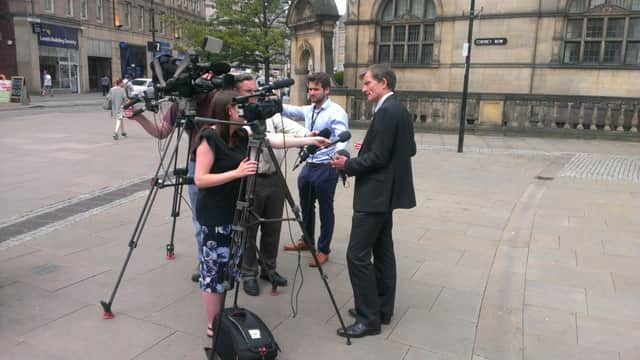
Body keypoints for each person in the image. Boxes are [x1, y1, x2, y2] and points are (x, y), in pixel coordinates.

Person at [193, 90, 329, 337]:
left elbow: (273, 140)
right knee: (213, 272)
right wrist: (237, 173)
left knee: (226, 269)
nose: (244, 113)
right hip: (214, 216)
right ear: (228, 111)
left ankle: (221, 317)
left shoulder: (240, 134)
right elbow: (200, 179)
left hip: (234, 212)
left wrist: (310, 141)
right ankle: (213, 326)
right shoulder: (209, 137)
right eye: (239, 108)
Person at [330, 64, 416, 338]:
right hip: (385, 195)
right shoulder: (398, 109)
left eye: (368, 83)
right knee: (382, 253)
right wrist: (369, 149)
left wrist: (348, 164)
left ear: (384, 83)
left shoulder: (387, 112)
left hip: (374, 196)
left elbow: (379, 158)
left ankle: (368, 319)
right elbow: (408, 149)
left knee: (356, 256)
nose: (364, 88)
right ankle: (381, 309)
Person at [124, 85, 217, 282]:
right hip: (196, 163)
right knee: (199, 216)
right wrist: (139, 117)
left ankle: (230, 256)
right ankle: (205, 260)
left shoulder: (216, 97)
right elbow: (162, 132)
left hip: (225, 162)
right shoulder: (179, 104)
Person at [234, 73, 310, 296]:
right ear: (238, 94)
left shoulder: (268, 114)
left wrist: (308, 133)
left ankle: (269, 268)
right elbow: (266, 139)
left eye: (254, 89)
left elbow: (288, 126)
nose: (253, 95)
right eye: (248, 91)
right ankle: (248, 273)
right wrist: (306, 141)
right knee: (249, 229)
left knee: (273, 227)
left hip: (274, 177)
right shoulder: (238, 117)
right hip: (251, 179)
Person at [281, 72, 349, 267]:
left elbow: (343, 137)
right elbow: (291, 111)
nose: (311, 92)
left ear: (326, 90)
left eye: (315, 89)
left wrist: (338, 159)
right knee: (306, 205)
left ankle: (323, 249)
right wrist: (273, 104)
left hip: (326, 167)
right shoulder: (310, 110)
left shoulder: (336, 112)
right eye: (309, 89)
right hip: (309, 165)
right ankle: (307, 240)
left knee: (326, 210)